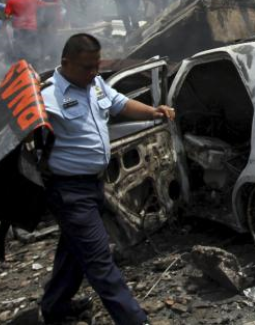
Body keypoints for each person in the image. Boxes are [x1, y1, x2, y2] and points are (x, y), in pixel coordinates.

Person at [39, 33, 173, 325]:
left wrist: (154, 111)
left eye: (96, 66)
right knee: (100, 261)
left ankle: (54, 308)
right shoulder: (47, 98)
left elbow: (120, 104)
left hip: (95, 184)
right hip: (69, 191)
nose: (93, 72)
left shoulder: (96, 84)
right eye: (87, 67)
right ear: (66, 63)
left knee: (73, 251)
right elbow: (25, 138)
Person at [5, 0, 55, 64]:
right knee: (33, 47)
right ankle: (34, 65)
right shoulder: (34, 0)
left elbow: (7, 16)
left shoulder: (10, 1)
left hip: (19, 29)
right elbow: (46, 4)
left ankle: (22, 65)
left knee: (20, 48)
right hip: (32, 29)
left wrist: (12, 17)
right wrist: (57, 4)